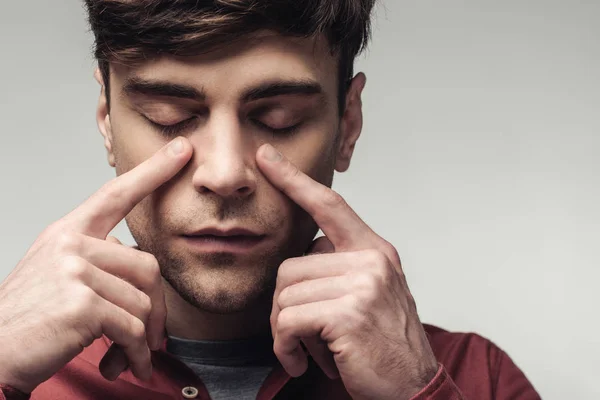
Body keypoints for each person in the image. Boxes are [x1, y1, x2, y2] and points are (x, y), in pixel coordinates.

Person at [0, 1, 541, 399]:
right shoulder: (21, 365)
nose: (225, 172)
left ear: (347, 124)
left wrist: (415, 390)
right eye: (169, 117)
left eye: (279, 120)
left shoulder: (473, 379)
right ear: (107, 122)